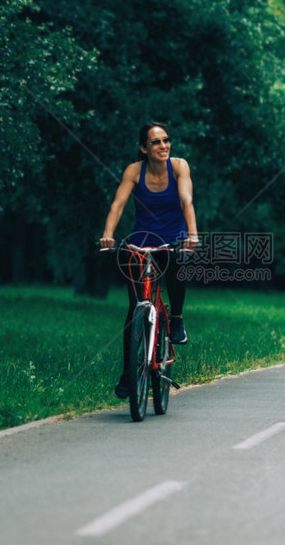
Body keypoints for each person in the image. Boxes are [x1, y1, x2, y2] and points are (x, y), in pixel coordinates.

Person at [99, 122, 199, 399]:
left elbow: (186, 200)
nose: (163, 146)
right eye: (156, 142)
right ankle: (128, 373)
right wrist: (108, 234)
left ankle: (176, 319)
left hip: (173, 238)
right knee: (135, 307)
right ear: (144, 148)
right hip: (141, 240)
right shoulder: (134, 171)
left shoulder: (179, 166)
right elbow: (117, 204)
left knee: (179, 262)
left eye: (166, 140)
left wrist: (192, 235)